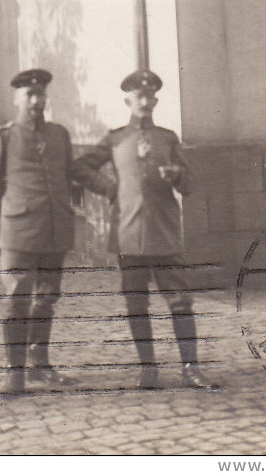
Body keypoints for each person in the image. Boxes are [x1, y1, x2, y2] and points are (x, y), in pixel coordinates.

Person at [72, 69, 213, 389]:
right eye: (139, 97)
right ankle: (148, 370)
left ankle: (191, 368)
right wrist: (110, 189)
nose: (145, 102)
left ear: (156, 100)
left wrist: (176, 173)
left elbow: (190, 184)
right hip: (129, 235)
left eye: (150, 96)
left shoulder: (167, 138)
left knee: (180, 302)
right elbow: (80, 167)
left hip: (164, 234)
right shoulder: (115, 138)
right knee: (137, 303)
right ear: (128, 100)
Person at [0, 69, 75, 394]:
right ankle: (15, 373)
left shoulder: (59, 135)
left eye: (40, 94)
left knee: (46, 299)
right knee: (17, 300)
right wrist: (7, 215)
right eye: (29, 95)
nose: (35, 100)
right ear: (17, 98)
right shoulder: (4, 136)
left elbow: (67, 176)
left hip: (54, 231)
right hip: (18, 233)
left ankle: (39, 365)